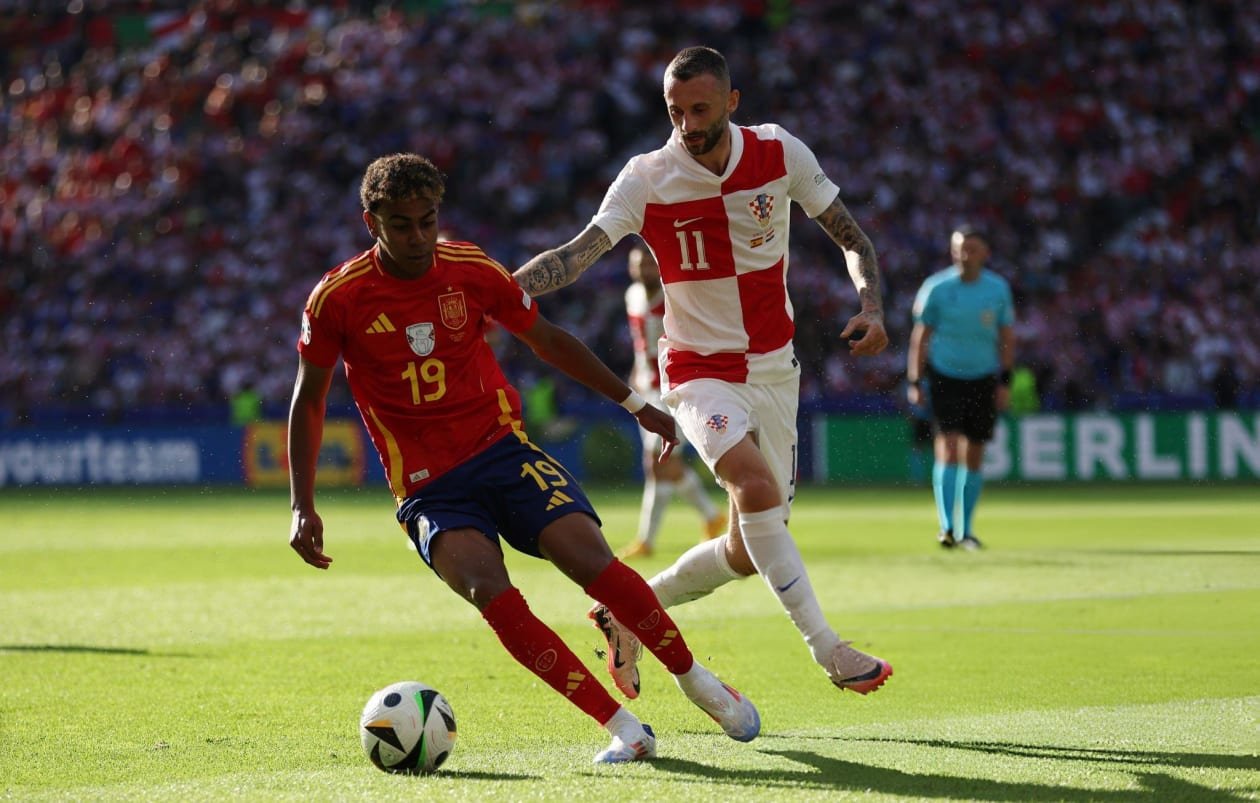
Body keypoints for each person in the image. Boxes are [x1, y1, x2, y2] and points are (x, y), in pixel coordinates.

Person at [287, 153, 760, 765]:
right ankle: (623, 728)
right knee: (490, 592)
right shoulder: (338, 297)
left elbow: (548, 340)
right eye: (401, 225)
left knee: (592, 562)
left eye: (428, 221)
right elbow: (309, 399)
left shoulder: (470, 269)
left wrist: (634, 404)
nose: (418, 237)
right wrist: (302, 504)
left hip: (502, 451)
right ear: (370, 222)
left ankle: (698, 682)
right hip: (429, 487)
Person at [514, 47, 894, 701]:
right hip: (696, 371)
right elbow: (577, 255)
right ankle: (829, 648)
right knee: (752, 485)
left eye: (700, 109)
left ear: (732, 102)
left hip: (774, 370)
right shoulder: (648, 176)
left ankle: (626, 608)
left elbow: (852, 237)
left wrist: (872, 305)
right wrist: (499, 290)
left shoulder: (778, 152)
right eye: (675, 112)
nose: (687, 125)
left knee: (749, 549)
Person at [906, 226, 1015, 550]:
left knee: (975, 454)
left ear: (985, 253)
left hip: (983, 377)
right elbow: (920, 337)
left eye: (971, 249)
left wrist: (1005, 380)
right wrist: (915, 379)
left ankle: (966, 530)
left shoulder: (997, 289)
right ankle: (947, 528)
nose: (964, 255)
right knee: (949, 447)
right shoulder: (936, 288)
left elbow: (1006, 336)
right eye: (959, 249)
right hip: (945, 377)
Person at [618, 240, 727, 559]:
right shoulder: (632, 295)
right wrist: (636, 373)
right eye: (637, 264)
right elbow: (640, 344)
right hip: (646, 388)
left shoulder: (673, 297)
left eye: (647, 264)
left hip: (672, 389)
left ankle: (647, 541)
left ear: (658, 266)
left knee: (657, 462)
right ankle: (711, 516)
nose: (642, 270)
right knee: (665, 465)